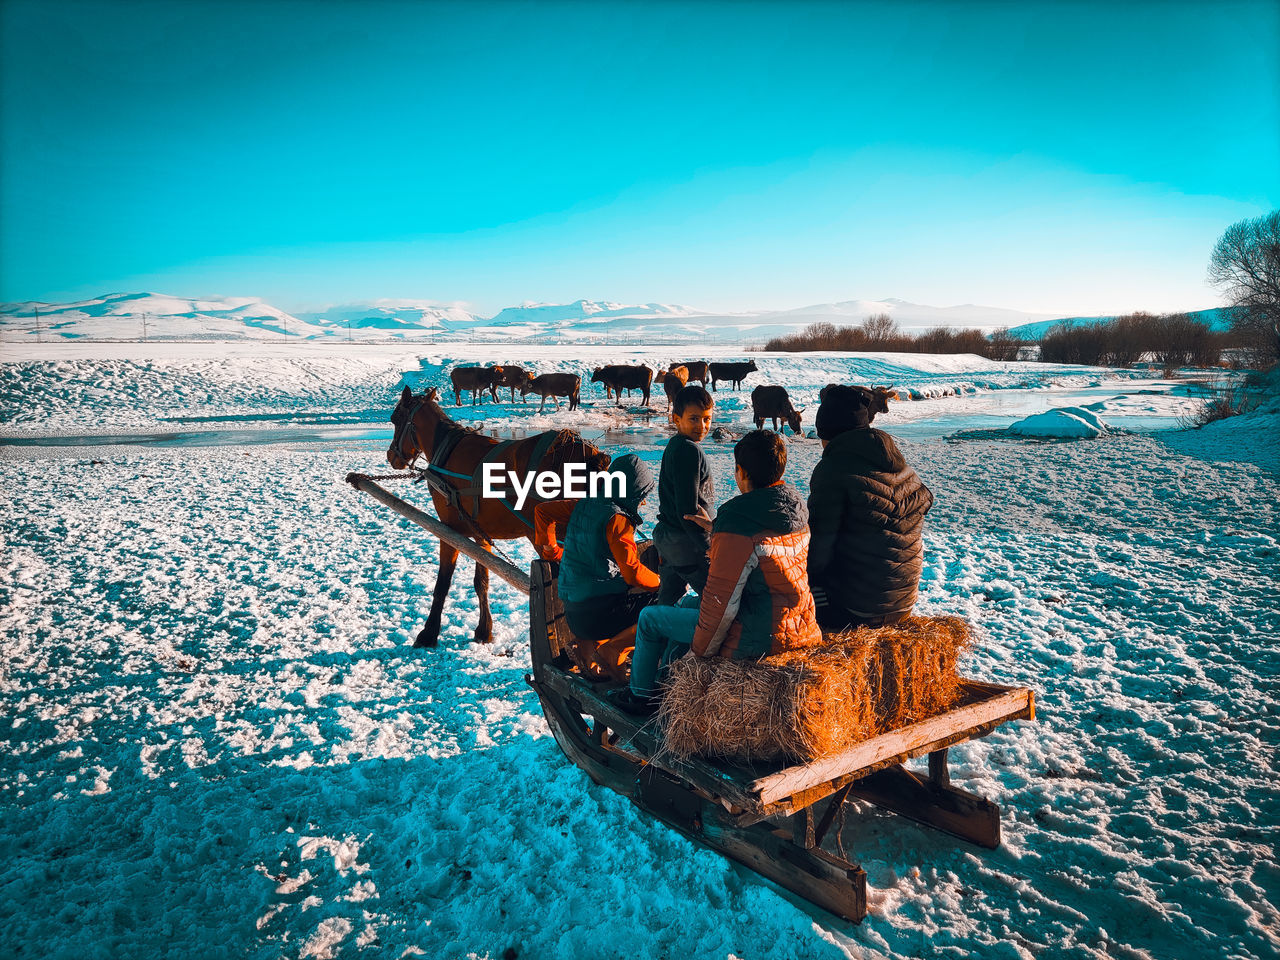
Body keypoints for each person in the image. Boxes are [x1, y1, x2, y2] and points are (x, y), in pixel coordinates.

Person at [609, 430, 822, 714]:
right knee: (686, 602)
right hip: (798, 624)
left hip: (757, 634)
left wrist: (697, 657)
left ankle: (640, 697)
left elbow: (722, 603)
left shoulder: (737, 524)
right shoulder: (794, 512)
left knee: (650, 619)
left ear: (740, 472)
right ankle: (668, 683)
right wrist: (715, 528)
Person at [806, 385, 934, 630]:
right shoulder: (896, 462)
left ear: (827, 434)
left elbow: (819, 548)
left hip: (860, 608)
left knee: (798, 588)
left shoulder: (832, 469)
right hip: (904, 602)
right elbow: (926, 498)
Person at [557, 453, 660, 679]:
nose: (643, 502)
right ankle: (614, 650)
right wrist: (659, 584)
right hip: (596, 616)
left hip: (574, 612)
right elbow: (632, 573)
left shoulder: (586, 503)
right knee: (661, 607)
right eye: (641, 494)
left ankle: (585, 648)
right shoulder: (617, 518)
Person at [653, 384, 716, 605]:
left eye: (707, 419)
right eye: (694, 419)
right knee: (717, 599)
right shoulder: (689, 450)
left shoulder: (676, 445)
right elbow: (688, 511)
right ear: (676, 419)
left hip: (669, 537)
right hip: (687, 542)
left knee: (668, 600)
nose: (702, 426)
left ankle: (657, 636)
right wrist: (708, 546)